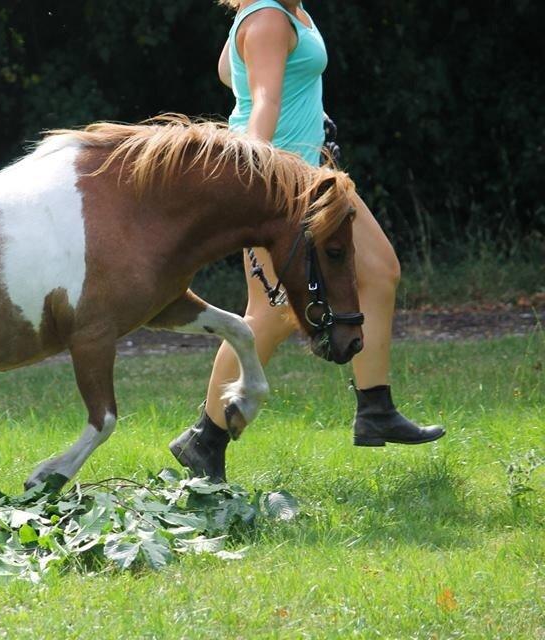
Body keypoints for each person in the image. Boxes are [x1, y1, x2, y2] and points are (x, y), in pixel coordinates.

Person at [169, 0, 444, 480]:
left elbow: (229, 71)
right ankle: (206, 438)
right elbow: (264, 101)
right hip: (278, 188)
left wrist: (302, 102)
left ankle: (375, 408)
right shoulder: (269, 18)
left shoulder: (287, 11)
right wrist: (254, 184)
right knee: (271, 313)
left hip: (317, 178)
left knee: (380, 272)